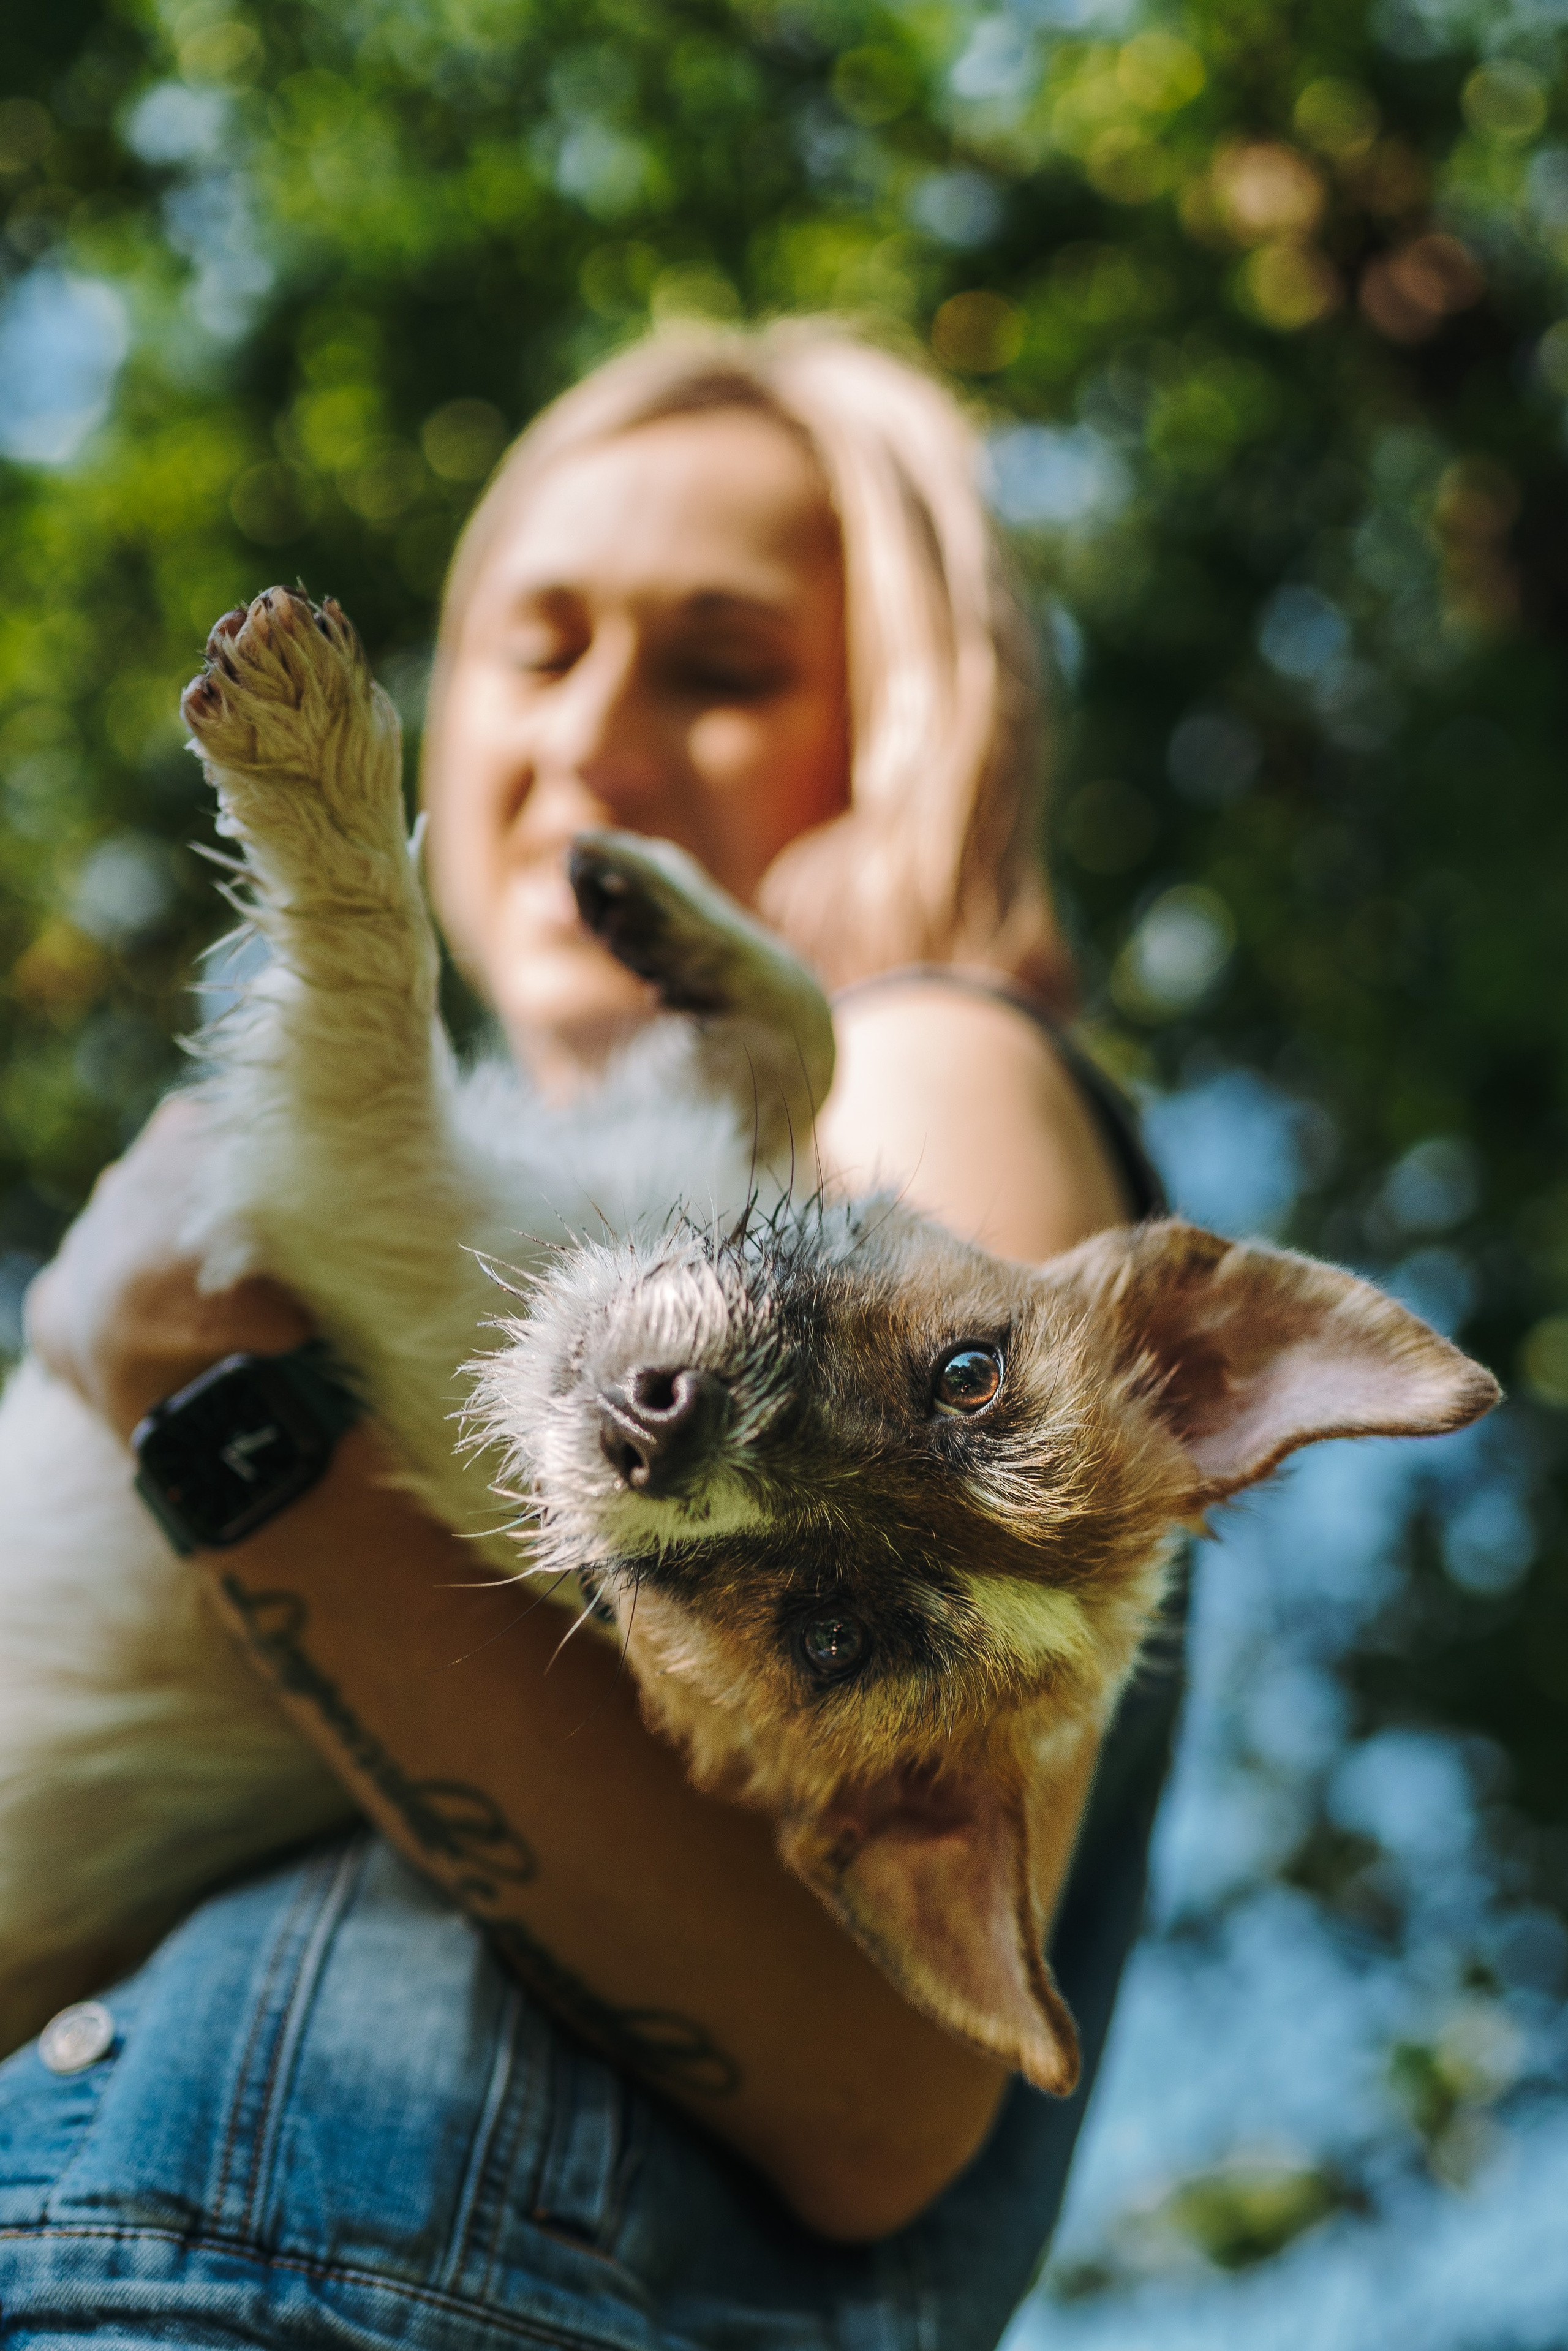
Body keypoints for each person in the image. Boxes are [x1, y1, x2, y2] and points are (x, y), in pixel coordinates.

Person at [0, 323, 1180, 2350]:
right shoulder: (698, 1132)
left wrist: (191, 1395)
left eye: (722, 669)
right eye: (540, 646)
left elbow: (895, 2089)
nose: (595, 736)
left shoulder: (930, 1059)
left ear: (901, 734)